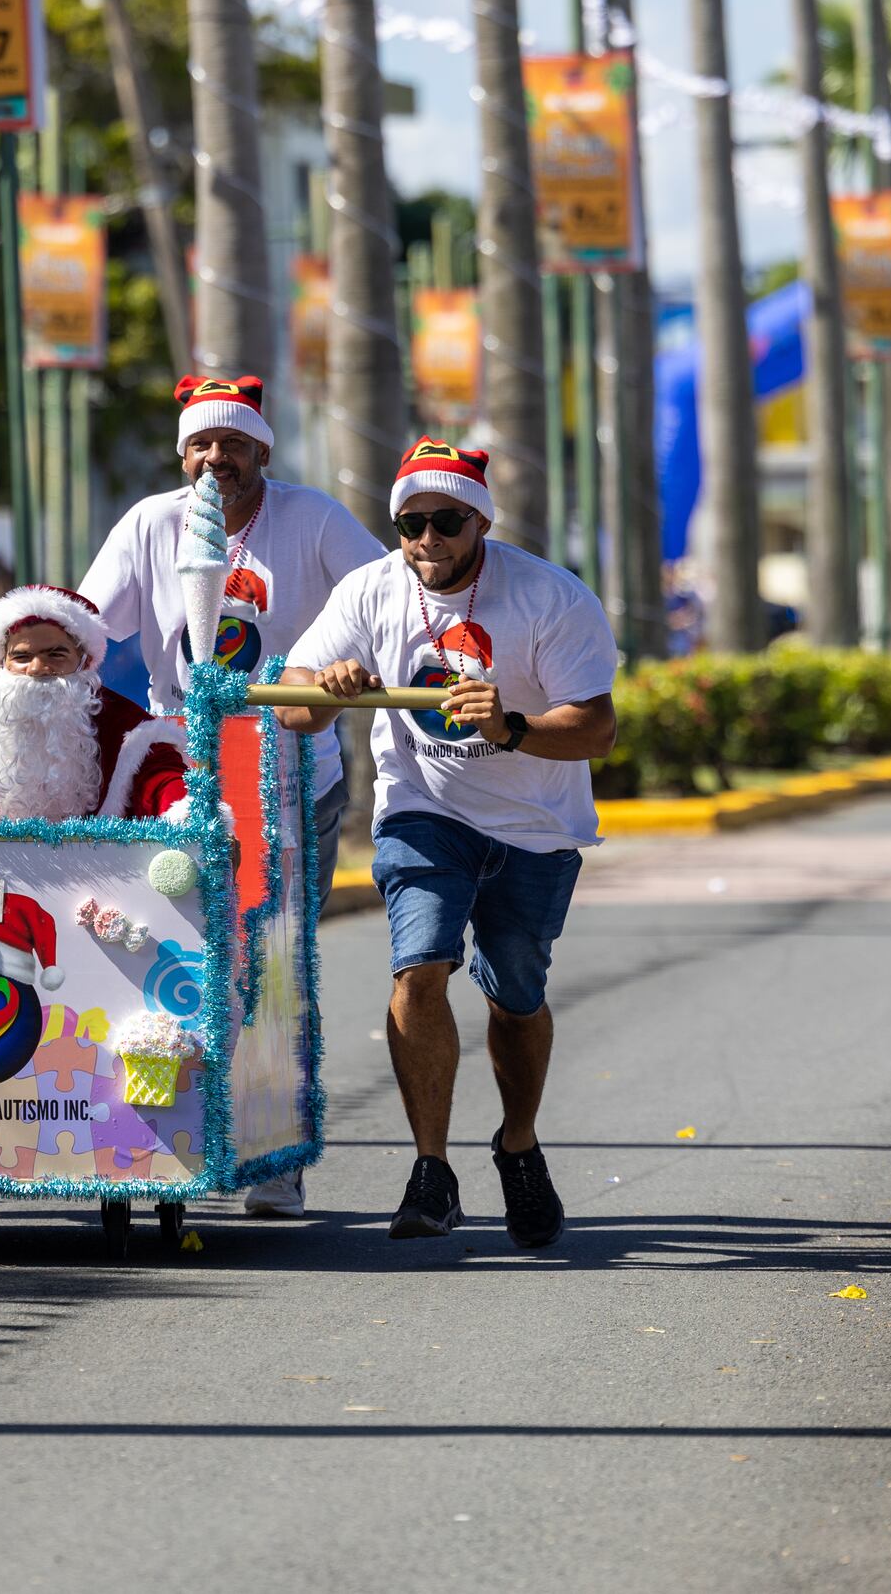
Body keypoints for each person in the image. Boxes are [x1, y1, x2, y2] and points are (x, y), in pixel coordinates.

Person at [276, 439, 618, 1249]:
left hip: (534, 826)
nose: (427, 538)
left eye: (446, 520)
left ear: (480, 521)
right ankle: (431, 1168)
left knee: (516, 997)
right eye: (409, 522)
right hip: (424, 809)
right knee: (419, 965)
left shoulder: (549, 596)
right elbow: (291, 704)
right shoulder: (370, 591)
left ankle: (518, 1143)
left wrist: (511, 727)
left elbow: (596, 729)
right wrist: (326, 691)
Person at [80, 372, 383, 1218]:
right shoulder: (150, 522)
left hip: (296, 770)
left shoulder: (312, 518)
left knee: (274, 960)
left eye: (234, 444)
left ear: (262, 452)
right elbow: (87, 620)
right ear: (184, 455)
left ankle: (273, 1153)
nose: (217, 458)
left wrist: (345, 666)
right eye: (201, 445)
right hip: (181, 779)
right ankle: (156, 1132)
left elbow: (384, 597)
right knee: (169, 955)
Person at [0, 585, 189, 823]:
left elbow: (166, 784)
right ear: (1, 662)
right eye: (21, 657)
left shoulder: (125, 726)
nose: (37, 668)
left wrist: (184, 814)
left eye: (56, 654)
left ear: (84, 661)